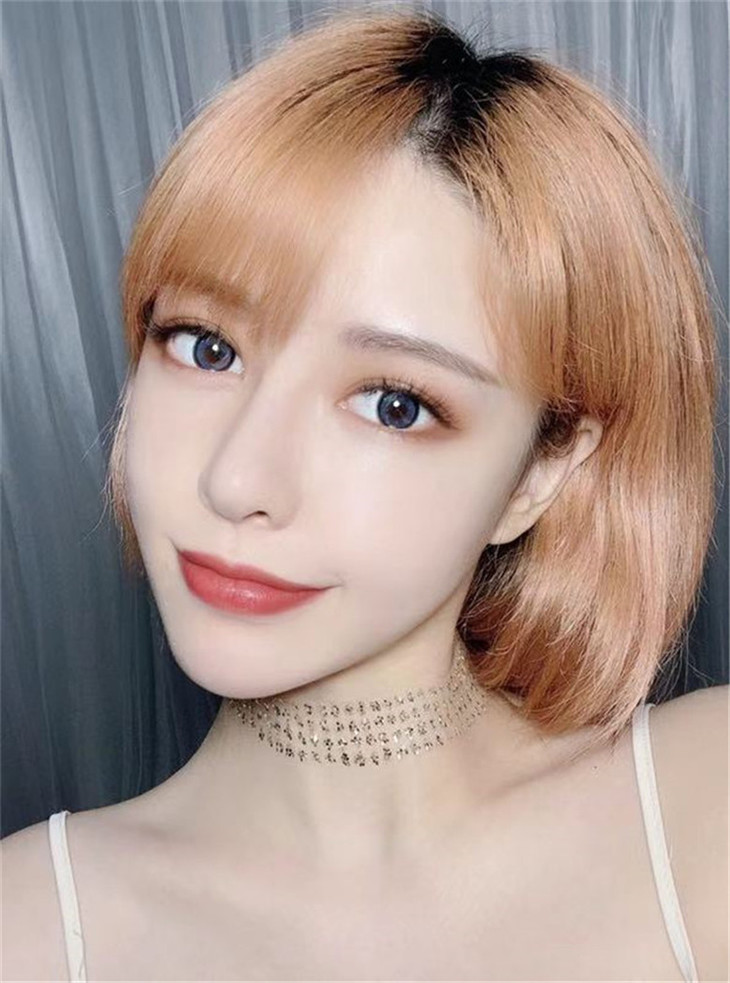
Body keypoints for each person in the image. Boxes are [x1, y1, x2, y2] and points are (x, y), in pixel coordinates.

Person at [2, 7, 727, 982]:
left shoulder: (704, 815)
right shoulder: (30, 931)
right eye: (205, 346)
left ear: (540, 471)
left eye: (393, 404)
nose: (236, 479)